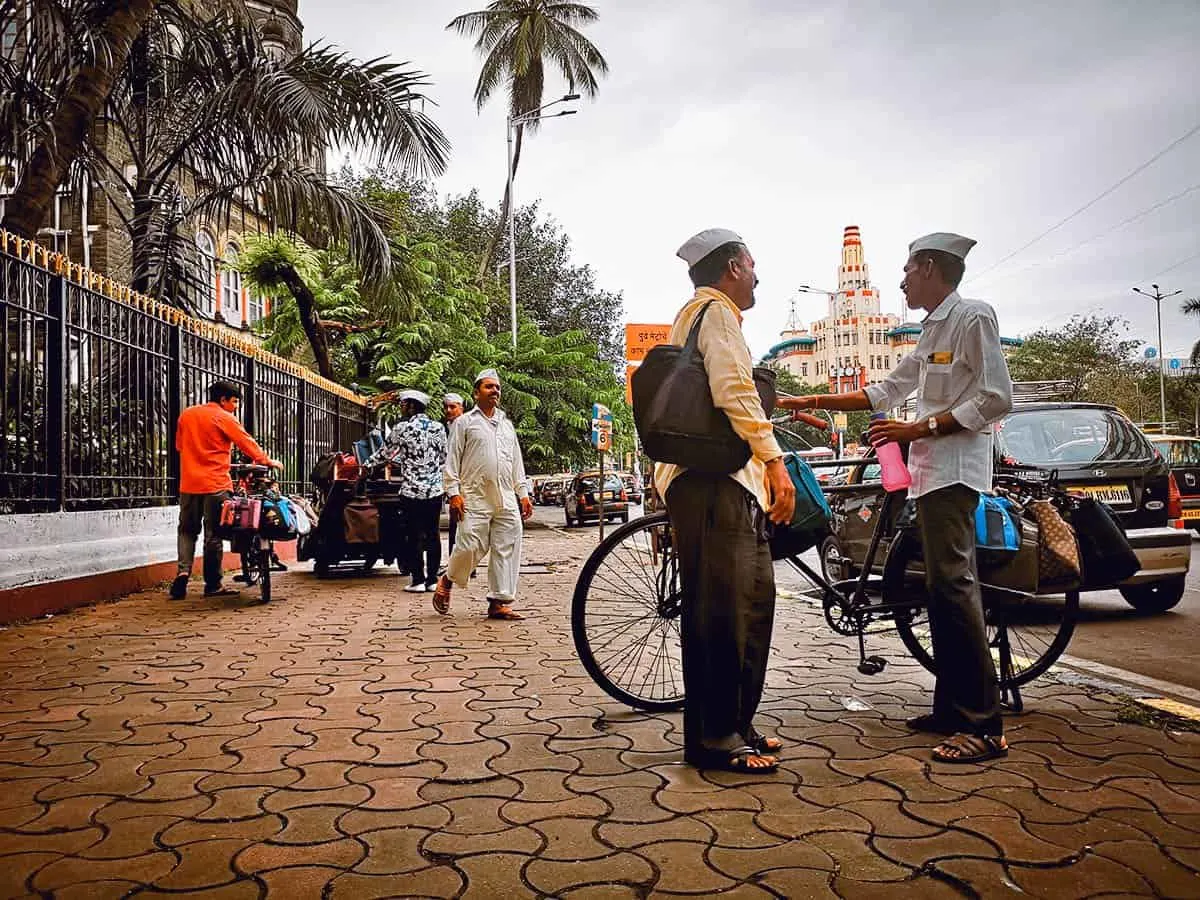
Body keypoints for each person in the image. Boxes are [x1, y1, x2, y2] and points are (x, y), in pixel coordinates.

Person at [781, 232, 1014, 764]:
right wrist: (808, 397)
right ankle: (950, 709)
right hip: (926, 474)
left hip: (954, 473)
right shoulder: (931, 328)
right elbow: (884, 392)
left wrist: (917, 430)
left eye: (908, 270)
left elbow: (996, 396)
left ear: (930, 268)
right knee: (936, 590)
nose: (903, 279)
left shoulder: (973, 317)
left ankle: (984, 724)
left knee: (954, 590)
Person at [654, 229, 796, 775]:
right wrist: (776, 461)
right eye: (753, 265)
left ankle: (738, 722)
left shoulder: (706, 316)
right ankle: (715, 737)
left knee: (751, 607)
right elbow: (734, 391)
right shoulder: (712, 314)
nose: (758, 276)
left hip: (731, 483)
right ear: (733, 267)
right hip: (714, 482)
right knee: (720, 614)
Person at [433, 370, 534, 620]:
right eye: (489, 387)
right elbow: (452, 461)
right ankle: (447, 579)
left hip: (506, 497)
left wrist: (523, 493)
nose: (495, 391)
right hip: (474, 496)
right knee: (469, 545)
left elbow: (516, 463)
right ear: (476, 392)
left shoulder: (507, 426)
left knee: (507, 546)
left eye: (497, 387)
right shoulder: (464, 423)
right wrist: (453, 493)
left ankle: (499, 602)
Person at [171, 381, 282, 600]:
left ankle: (183, 572)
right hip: (215, 484)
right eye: (234, 402)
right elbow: (245, 442)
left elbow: (179, 446)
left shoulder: (187, 415)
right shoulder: (224, 417)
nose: (236, 406)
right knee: (213, 534)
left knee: (186, 529)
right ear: (223, 400)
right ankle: (212, 584)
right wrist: (267, 461)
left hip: (189, 484)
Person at [368, 390, 448, 593]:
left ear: (412, 406)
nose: (401, 407)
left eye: (404, 404)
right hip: (434, 490)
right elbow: (444, 457)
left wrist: (366, 465)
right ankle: (432, 580)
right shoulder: (439, 428)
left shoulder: (402, 428)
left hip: (411, 491)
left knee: (413, 535)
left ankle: (417, 580)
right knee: (432, 535)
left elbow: (385, 454)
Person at [442, 392, 466, 556]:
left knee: (461, 526)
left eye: (453, 407)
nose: (449, 410)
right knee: (456, 526)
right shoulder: (450, 427)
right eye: (446, 407)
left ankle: (462, 566)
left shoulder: (463, 426)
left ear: (461, 408)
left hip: (463, 484)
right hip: (454, 485)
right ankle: (457, 565)